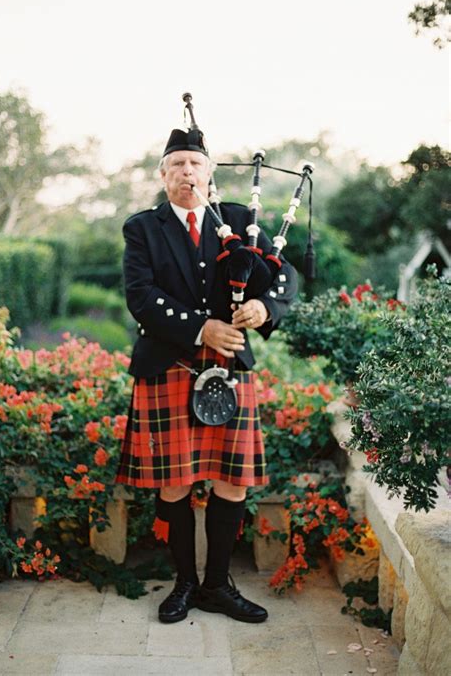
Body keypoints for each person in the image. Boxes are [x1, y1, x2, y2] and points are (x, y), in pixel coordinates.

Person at [115, 119, 297, 625]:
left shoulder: (241, 220)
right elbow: (141, 297)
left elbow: (286, 276)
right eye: (176, 165)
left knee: (231, 482)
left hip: (229, 368)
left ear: (210, 171)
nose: (186, 173)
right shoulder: (143, 227)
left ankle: (218, 585)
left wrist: (265, 308)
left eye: (195, 163)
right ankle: (184, 584)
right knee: (173, 483)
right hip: (169, 365)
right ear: (163, 174)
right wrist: (202, 328)